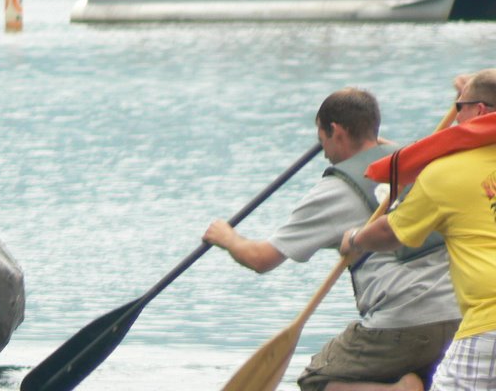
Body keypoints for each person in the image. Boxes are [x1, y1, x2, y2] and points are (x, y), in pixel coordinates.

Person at [203, 88, 460, 391]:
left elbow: (262, 259)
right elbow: (387, 146)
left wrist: (227, 237)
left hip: (403, 322)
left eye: (322, 137)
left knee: (318, 380)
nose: (323, 150)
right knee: (422, 375)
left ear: (336, 131)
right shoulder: (419, 164)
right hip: (460, 315)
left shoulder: (335, 193)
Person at [343, 71, 496, 390]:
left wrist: (356, 239)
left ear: (480, 111)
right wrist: (469, 95)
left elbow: (390, 233)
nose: (455, 119)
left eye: (459, 109)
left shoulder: (444, 174)